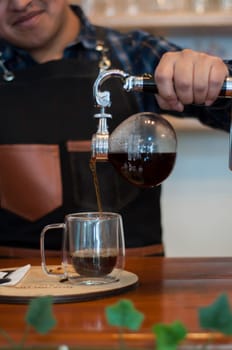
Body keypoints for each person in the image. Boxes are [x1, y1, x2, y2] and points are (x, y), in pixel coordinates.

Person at [0, 0, 230, 257]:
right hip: (18, 288)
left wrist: (211, 76)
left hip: (136, 284)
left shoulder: (133, 54)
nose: (20, 3)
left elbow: (224, 112)